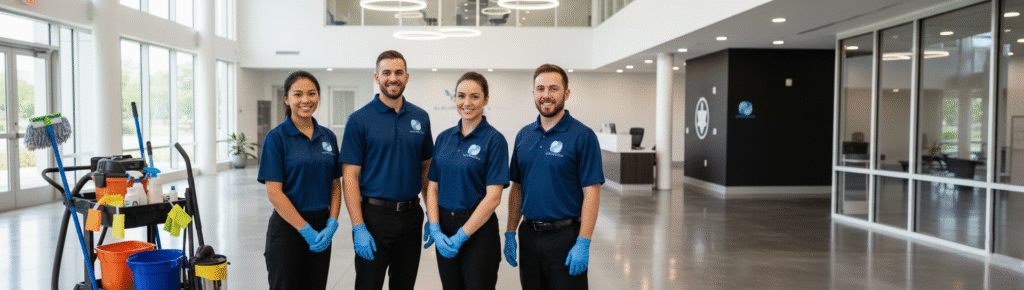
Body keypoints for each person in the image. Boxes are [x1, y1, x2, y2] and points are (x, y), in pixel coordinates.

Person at [339, 50, 433, 290]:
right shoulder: (359, 120)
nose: (393, 78)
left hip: (412, 216)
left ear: (407, 77)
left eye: (398, 72)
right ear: (376, 77)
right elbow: (349, 176)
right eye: (387, 72)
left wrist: (433, 217)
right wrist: (358, 226)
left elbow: (426, 170)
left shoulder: (420, 118)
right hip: (374, 218)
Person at [504, 64, 603, 290]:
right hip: (528, 236)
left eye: (553, 89)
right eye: (540, 89)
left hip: (566, 238)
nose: (546, 95)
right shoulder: (524, 135)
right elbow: (517, 187)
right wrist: (510, 231)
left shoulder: (582, 136)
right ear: (533, 94)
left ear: (566, 94)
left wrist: (583, 241)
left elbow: (592, 192)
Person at [257, 70, 341, 290]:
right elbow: (274, 192)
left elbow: (335, 185)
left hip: (322, 227)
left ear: (318, 97)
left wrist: (332, 222)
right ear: (287, 99)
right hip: (288, 229)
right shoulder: (276, 138)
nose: (306, 100)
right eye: (298, 94)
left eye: (312, 94)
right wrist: (305, 229)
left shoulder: (328, 137)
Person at [425, 72, 508, 290]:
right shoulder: (444, 138)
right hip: (445, 227)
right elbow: (432, 188)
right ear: (454, 99)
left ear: (486, 100)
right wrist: (434, 226)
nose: (467, 103)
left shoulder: (494, 140)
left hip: (478, 230)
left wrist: (462, 235)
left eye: (475, 96)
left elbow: (493, 197)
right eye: (461, 96)